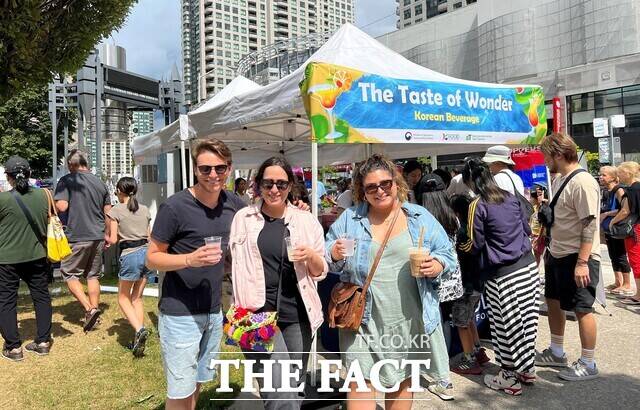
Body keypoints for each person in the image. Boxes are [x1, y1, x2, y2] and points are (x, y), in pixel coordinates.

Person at [326, 154, 457, 404]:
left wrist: (438, 264)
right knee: (359, 384)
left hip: (408, 322)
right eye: (371, 187)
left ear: (396, 183)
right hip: (361, 321)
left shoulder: (419, 217)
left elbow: (448, 254)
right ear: (362, 191)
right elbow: (327, 252)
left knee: (400, 383)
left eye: (385, 183)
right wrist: (333, 252)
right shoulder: (350, 219)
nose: (380, 191)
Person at [146, 140, 246, 409]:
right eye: (205, 169)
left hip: (214, 310)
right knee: (180, 390)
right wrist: (189, 259)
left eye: (219, 168)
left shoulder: (234, 204)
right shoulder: (175, 207)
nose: (213, 174)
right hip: (180, 311)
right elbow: (152, 257)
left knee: (198, 381)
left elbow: (258, 224)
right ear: (195, 170)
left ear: (229, 168)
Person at [229, 157, 328, 409]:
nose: (274, 190)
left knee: (293, 387)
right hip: (253, 315)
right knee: (280, 392)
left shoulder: (306, 221)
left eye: (281, 184)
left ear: (290, 186)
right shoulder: (243, 218)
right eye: (268, 183)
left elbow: (321, 272)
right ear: (258, 185)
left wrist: (312, 257)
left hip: (298, 314)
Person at [459, 158, 538, 396]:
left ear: (471, 181)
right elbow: (526, 229)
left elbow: (474, 244)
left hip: (502, 276)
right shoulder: (511, 197)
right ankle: (526, 368)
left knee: (505, 327)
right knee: (526, 323)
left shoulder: (477, 205)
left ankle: (508, 377)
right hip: (528, 268)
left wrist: (457, 246)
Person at [536, 133, 601, 381]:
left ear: (559, 155)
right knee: (553, 301)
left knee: (583, 308)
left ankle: (588, 362)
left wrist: (583, 262)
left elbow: (589, 224)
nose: (545, 161)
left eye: (547, 156)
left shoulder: (582, 181)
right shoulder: (564, 178)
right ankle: (556, 351)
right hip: (558, 253)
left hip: (577, 256)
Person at [0, 156, 53, 361]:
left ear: (9, 177)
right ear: (30, 174)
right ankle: (42, 342)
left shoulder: (3, 199)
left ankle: (13, 348)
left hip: (6, 258)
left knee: (6, 300)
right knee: (41, 296)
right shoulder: (44, 195)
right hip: (37, 254)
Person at [54, 150, 111, 332]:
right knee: (93, 275)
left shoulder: (66, 181)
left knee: (69, 274)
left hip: (77, 235)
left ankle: (90, 309)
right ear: (86, 163)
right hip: (98, 235)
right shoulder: (100, 183)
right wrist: (108, 233)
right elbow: (108, 212)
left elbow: (62, 205)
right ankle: (93, 315)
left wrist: (54, 202)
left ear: (71, 165)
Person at [106, 177, 152, 357]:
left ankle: (140, 329)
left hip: (130, 254)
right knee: (137, 298)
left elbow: (114, 239)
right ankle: (137, 335)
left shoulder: (115, 210)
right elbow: (149, 236)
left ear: (118, 190)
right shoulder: (145, 209)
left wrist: (106, 240)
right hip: (146, 253)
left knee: (123, 298)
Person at [448, 194, 490, 375]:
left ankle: (469, 360)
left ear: (456, 212)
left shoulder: (461, 233)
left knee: (461, 322)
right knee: (470, 317)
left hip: (466, 285)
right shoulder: (477, 229)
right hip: (478, 283)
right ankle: (478, 350)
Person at [598, 166, 632, 295]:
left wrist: (607, 215)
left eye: (604, 175)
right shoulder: (607, 191)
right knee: (613, 255)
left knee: (620, 255)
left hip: (617, 228)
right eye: (600, 175)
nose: (601, 177)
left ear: (613, 177)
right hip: (608, 229)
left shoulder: (619, 190)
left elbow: (624, 209)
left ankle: (627, 283)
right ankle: (618, 281)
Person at [609, 161, 640, 305]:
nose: (618, 176)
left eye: (620, 173)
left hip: (635, 229)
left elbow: (625, 211)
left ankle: (638, 294)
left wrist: (612, 221)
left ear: (628, 173)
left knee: (635, 259)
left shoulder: (632, 190)